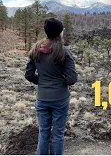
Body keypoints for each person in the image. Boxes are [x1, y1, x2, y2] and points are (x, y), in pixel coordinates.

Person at [25, 18, 77, 155]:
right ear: (60, 33)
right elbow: (72, 79)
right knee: (58, 134)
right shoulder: (64, 52)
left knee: (43, 132)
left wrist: (41, 82)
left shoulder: (36, 50)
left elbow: (28, 74)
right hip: (60, 98)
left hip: (42, 98)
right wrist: (61, 82)